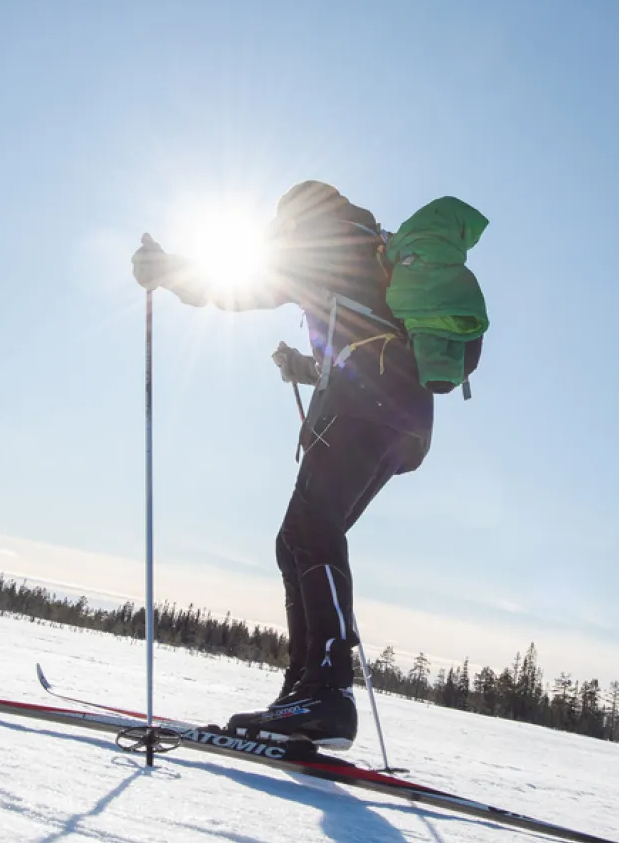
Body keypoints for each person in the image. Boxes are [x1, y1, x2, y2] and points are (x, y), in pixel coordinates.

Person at [130, 181, 476, 750]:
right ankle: (305, 686)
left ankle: (326, 690)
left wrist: (168, 270)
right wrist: (306, 366)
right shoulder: (371, 254)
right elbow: (371, 346)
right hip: (400, 421)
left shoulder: (330, 243)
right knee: (299, 538)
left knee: (310, 532)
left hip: (364, 413)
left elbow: (246, 283)